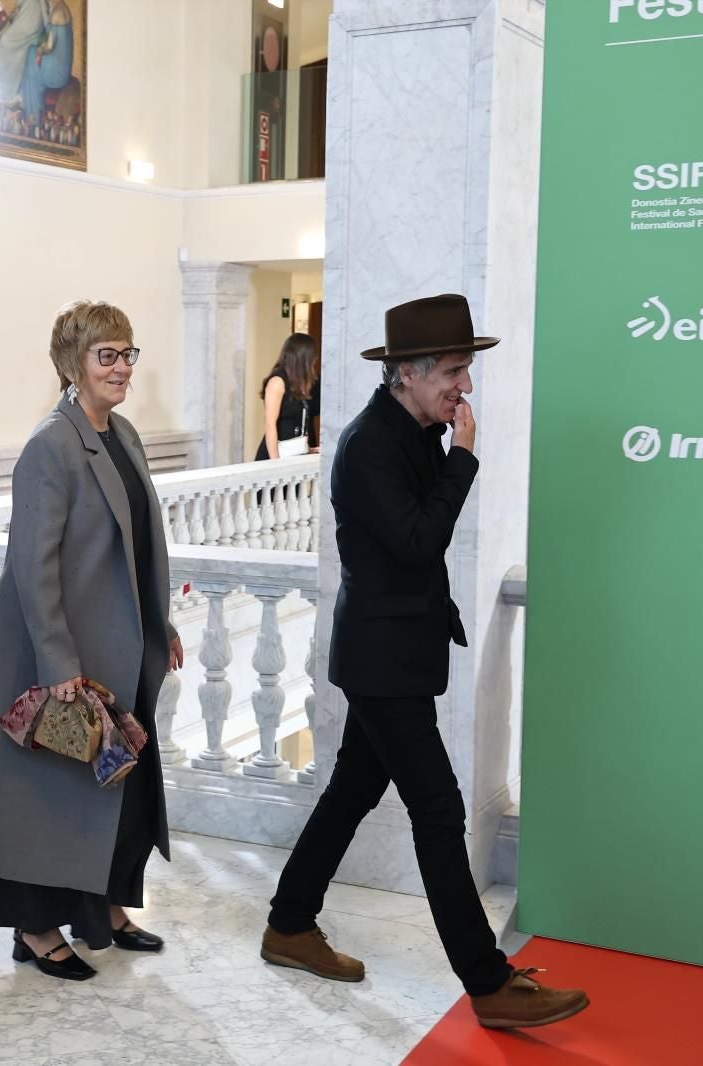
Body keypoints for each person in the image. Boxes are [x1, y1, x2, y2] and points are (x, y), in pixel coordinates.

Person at [259, 295, 589, 1030]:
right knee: (438, 811)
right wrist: (465, 460)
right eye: (452, 371)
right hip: (382, 663)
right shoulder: (373, 442)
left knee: (350, 795)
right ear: (405, 373)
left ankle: (287, 924)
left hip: (394, 655)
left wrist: (451, 451)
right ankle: (488, 981)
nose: (463, 387)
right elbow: (416, 543)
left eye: (465, 370)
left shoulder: (412, 431)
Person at [0, 300, 182, 980]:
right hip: (61, 657)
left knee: (117, 788)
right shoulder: (50, 445)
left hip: (120, 648)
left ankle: (107, 909)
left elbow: (138, 544)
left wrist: (160, 623)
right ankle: (33, 928)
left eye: (127, 354)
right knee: (52, 801)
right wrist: (58, 663)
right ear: (72, 365)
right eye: (106, 356)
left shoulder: (122, 433)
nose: (121, 368)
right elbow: (33, 567)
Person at [255, 332, 321, 460]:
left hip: (293, 456)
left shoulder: (300, 383)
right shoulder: (277, 382)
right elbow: (270, 424)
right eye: (313, 355)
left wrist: (309, 449)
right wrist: (276, 463)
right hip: (275, 457)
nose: (316, 359)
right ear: (303, 357)